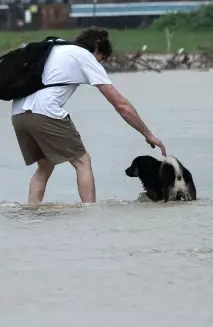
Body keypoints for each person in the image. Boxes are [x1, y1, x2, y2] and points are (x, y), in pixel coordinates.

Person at [10, 27, 165, 205]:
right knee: (82, 161)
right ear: (98, 50)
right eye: (102, 59)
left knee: (44, 166)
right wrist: (147, 134)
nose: (100, 64)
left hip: (18, 113)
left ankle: (32, 211)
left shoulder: (56, 46)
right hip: (44, 112)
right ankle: (90, 214)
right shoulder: (85, 56)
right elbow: (121, 105)